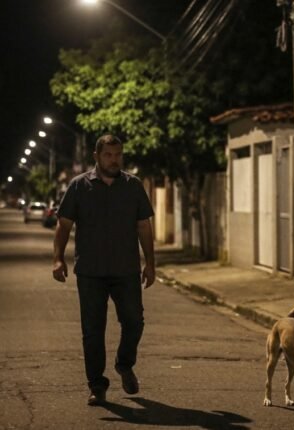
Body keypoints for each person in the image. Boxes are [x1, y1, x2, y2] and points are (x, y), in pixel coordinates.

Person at [52, 134, 156, 406]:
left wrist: (151, 263)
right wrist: (58, 259)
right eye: (108, 155)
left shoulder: (133, 186)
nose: (114, 159)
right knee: (93, 331)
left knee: (134, 321)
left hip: (126, 270)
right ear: (96, 156)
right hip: (90, 271)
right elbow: (63, 225)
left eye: (118, 154)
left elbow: (144, 226)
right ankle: (97, 385)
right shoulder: (78, 186)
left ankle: (124, 363)